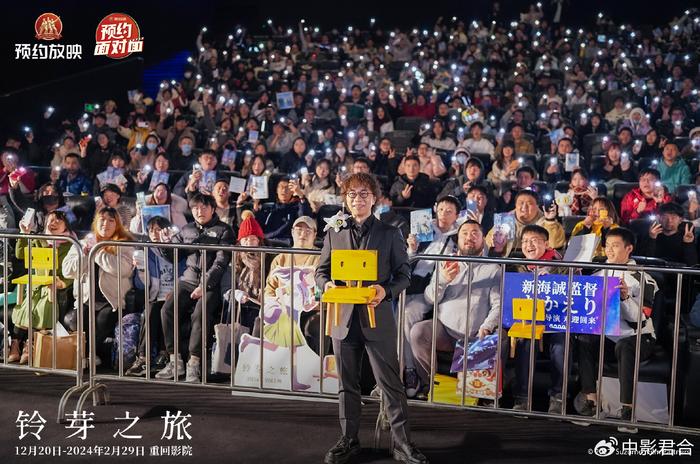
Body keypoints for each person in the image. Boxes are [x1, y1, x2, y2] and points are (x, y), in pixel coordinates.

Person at [315, 173, 427, 464]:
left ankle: (402, 444)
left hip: (377, 316)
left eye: (364, 194)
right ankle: (348, 440)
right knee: (347, 384)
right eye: (352, 195)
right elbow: (321, 271)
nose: (357, 200)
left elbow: (404, 275)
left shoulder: (390, 233)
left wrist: (385, 290)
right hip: (343, 318)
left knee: (390, 384)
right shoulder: (334, 231)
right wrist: (326, 285)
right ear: (345, 199)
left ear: (375, 198)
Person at [406, 220, 501, 398]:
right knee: (418, 332)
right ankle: (429, 384)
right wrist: (442, 280)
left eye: (475, 233)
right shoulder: (446, 263)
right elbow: (429, 298)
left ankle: (481, 393)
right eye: (464, 233)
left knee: (497, 338)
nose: (469, 237)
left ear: (483, 239)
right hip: (445, 330)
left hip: (475, 333)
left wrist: (487, 326)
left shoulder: (493, 268)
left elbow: (498, 304)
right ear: (458, 238)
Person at [575, 227, 658, 433]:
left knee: (625, 345)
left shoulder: (643, 278)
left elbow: (639, 320)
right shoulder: (597, 274)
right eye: (607, 245)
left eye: (615, 245)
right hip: (608, 336)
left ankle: (627, 411)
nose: (609, 250)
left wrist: (625, 298)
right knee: (584, 338)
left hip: (639, 337)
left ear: (629, 248)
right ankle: (592, 403)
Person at [156, 193, 235, 382]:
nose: (200, 211)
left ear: (213, 209)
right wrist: (164, 244)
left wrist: (204, 285)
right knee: (167, 309)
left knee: (200, 313)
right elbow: (172, 255)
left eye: (204, 207)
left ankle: (194, 362)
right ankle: (175, 360)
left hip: (212, 283)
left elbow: (220, 263)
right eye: (195, 208)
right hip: (188, 279)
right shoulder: (187, 229)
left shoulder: (225, 231)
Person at [62, 207, 134, 366]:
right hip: (86, 298)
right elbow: (67, 270)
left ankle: (87, 355)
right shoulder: (82, 243)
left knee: (103, 319)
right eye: (102, 220)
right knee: (75, 320)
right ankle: (88, 356)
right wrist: (86, 254)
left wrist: (98, 250)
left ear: (117, 224)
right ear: (96, 222)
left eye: (111, 221)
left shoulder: (124, 243)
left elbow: (123, 269)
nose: (106, 224)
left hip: (112, 300)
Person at [510, 225, 569, 414]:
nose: (529, 245)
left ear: (547, 243)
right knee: (524, 343)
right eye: (525, 241)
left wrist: (551, 277)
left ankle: (558, 397)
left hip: (556, 320)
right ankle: (522, 398)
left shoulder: (561, 265)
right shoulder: (517, 266)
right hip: (528, 322)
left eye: (534, 240)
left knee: (561, 346)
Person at [8, 211, 76, 364]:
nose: (54, 223)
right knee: (24, 307)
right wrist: (24, 234)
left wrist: (63, 282)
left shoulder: (71, 244)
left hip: (55, 286)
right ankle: (15, 345)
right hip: (37, 285)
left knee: (41, 308)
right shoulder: (39, 239)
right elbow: (20, 254)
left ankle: (29, 345)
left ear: (66, 225)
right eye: (51, 220)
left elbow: (74, 271)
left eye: (59, 221)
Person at [125, 216, 186, 377]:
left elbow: (186, 275)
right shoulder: (146, 252)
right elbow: (140, 286)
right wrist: (141, 270)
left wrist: (175, 291)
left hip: (177, 294)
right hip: (155, 296)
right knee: (151, 309)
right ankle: (143, 359)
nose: (155, 233)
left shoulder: (177, 250)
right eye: (151, 230)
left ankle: (164, 355)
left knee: (165, 309)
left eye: (158, 229)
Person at [486, 190, 565, 256]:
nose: (524, 207)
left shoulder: (547, 222)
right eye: (521, 203)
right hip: (508, 265)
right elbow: (489, 243)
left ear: (537, 206)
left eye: (529, 203)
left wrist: (550, 220)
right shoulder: (504, 221)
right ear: (515, 205)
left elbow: (555, 244)